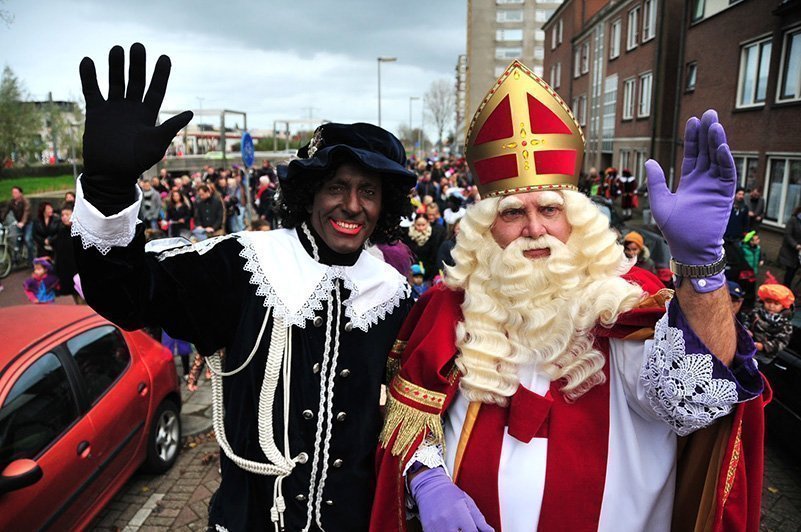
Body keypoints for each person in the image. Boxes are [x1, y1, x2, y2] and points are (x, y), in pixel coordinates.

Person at [371, 62, 767, 532]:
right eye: (514, 211)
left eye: (551, 210)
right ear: (483, 230)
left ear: (576, 220)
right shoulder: (449, 308)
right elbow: (411, 420)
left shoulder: (625, 305)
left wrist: (701, 265)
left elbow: (696, 401)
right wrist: (426, 477)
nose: (535, 229)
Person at [70, 43, 416, 531]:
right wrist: (109, 186)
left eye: (369, 191)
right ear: (310, 193)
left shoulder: (394, 295)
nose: (352, 206)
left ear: (385, 205)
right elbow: (125, 294)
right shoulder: (245, 265)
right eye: (337, 186)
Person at [744, 283, 794, 366]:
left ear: (783, 306)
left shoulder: (785, 324)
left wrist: (764, 346)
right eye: (768, 302)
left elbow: (782, 342)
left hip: (765, 358)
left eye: (776, 304)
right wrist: (746, 331)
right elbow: (745, 323)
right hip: (746, 349)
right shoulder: (755, 313)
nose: (771, 306)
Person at [7, 186, 34, 263]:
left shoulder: (25, 201)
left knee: (28, 239)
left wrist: (23, 222)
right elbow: (5, 211)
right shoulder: (11, 202)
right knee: (16, 240)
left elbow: (26, 212)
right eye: (12, 192)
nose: (13, 194)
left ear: (20, 193)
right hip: (19, 223)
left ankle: (31, 260)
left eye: (15, 192)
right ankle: (17, 259)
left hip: (28, 223)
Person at [779, 204, 801, 287]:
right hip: (790, 251)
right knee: (790, 272)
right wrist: (796, 245)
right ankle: (785, 288)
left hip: (798, 254)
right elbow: (788, 235)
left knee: (794, 271)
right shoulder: (793, 220)